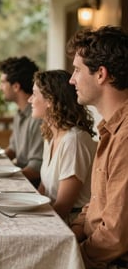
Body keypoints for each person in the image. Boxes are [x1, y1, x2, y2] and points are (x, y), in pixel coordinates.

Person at [67, 25, 128, 269]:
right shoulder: (109, 129)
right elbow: (96, 203)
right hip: (103, 256)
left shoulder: (125, 137)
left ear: (101, 74)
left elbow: (115, 236)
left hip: (117, 267)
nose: (71, 79)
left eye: (77, 70)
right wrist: (74, 232)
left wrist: (71, 256)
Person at [28, 69, 96, 223]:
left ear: (50, 100)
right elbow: (43, 189)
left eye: (34, 94)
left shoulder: (74, 140)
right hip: (52, 216)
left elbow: (64, 206)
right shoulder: (51, 135)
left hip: (70, 224)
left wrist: (33, 222)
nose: (30, 100)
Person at [0, 56, 43, 187]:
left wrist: (3, 178)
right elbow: (12, 150)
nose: (0, 87)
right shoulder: (20, 113)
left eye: (3, 83)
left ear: (16, 86)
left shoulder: (38, 118)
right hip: (20, 179)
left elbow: (35, 169)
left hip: (30, 186)